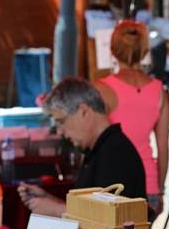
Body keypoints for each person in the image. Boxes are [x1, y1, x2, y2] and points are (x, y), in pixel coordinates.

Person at [18, 78, 146, 217]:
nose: (60, 131)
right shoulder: (99, 149)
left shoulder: (115, 153)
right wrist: (49, 199)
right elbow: (89, 208)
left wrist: (56, 209)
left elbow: (110, 217)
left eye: (61, 121)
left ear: (84, 111)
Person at [95, 20, 169, 216]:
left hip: (113, 184)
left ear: (112, 50)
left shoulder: (102, 89)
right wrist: (159, 189)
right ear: (145, 52)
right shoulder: (159, 91)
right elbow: (163, 147)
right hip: (149, 184)